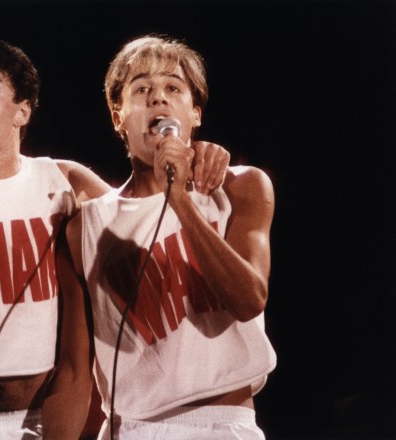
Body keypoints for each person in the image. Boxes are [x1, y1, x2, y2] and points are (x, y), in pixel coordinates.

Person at [0, 30, 230, 439]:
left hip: (37, 421)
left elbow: (152, 227)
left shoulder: (64, 181)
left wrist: (198, 154)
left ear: (22, 112)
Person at [56, 34, 277, 439]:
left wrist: (179, 199)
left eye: (172, 88)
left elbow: (249, 300)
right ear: (117, 116)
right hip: (131, 427)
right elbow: (73, 370)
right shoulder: (82, 227)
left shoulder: (241, 188)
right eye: (141, 89)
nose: (158, 99)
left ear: (194, 114)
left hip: (223, 424)